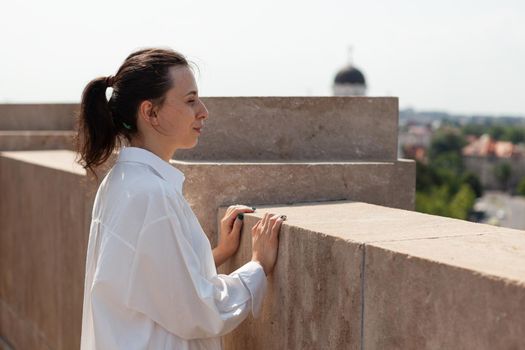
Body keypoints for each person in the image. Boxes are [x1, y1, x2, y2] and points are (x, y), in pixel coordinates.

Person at [75, 48, 284, 350]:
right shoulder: (150, 195)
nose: (203, 111)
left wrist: (220, 253)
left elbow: (152, 281)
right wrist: (257, 265)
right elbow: (199, 311)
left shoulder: (122, 182)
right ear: (151, 113)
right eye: (190, 100)